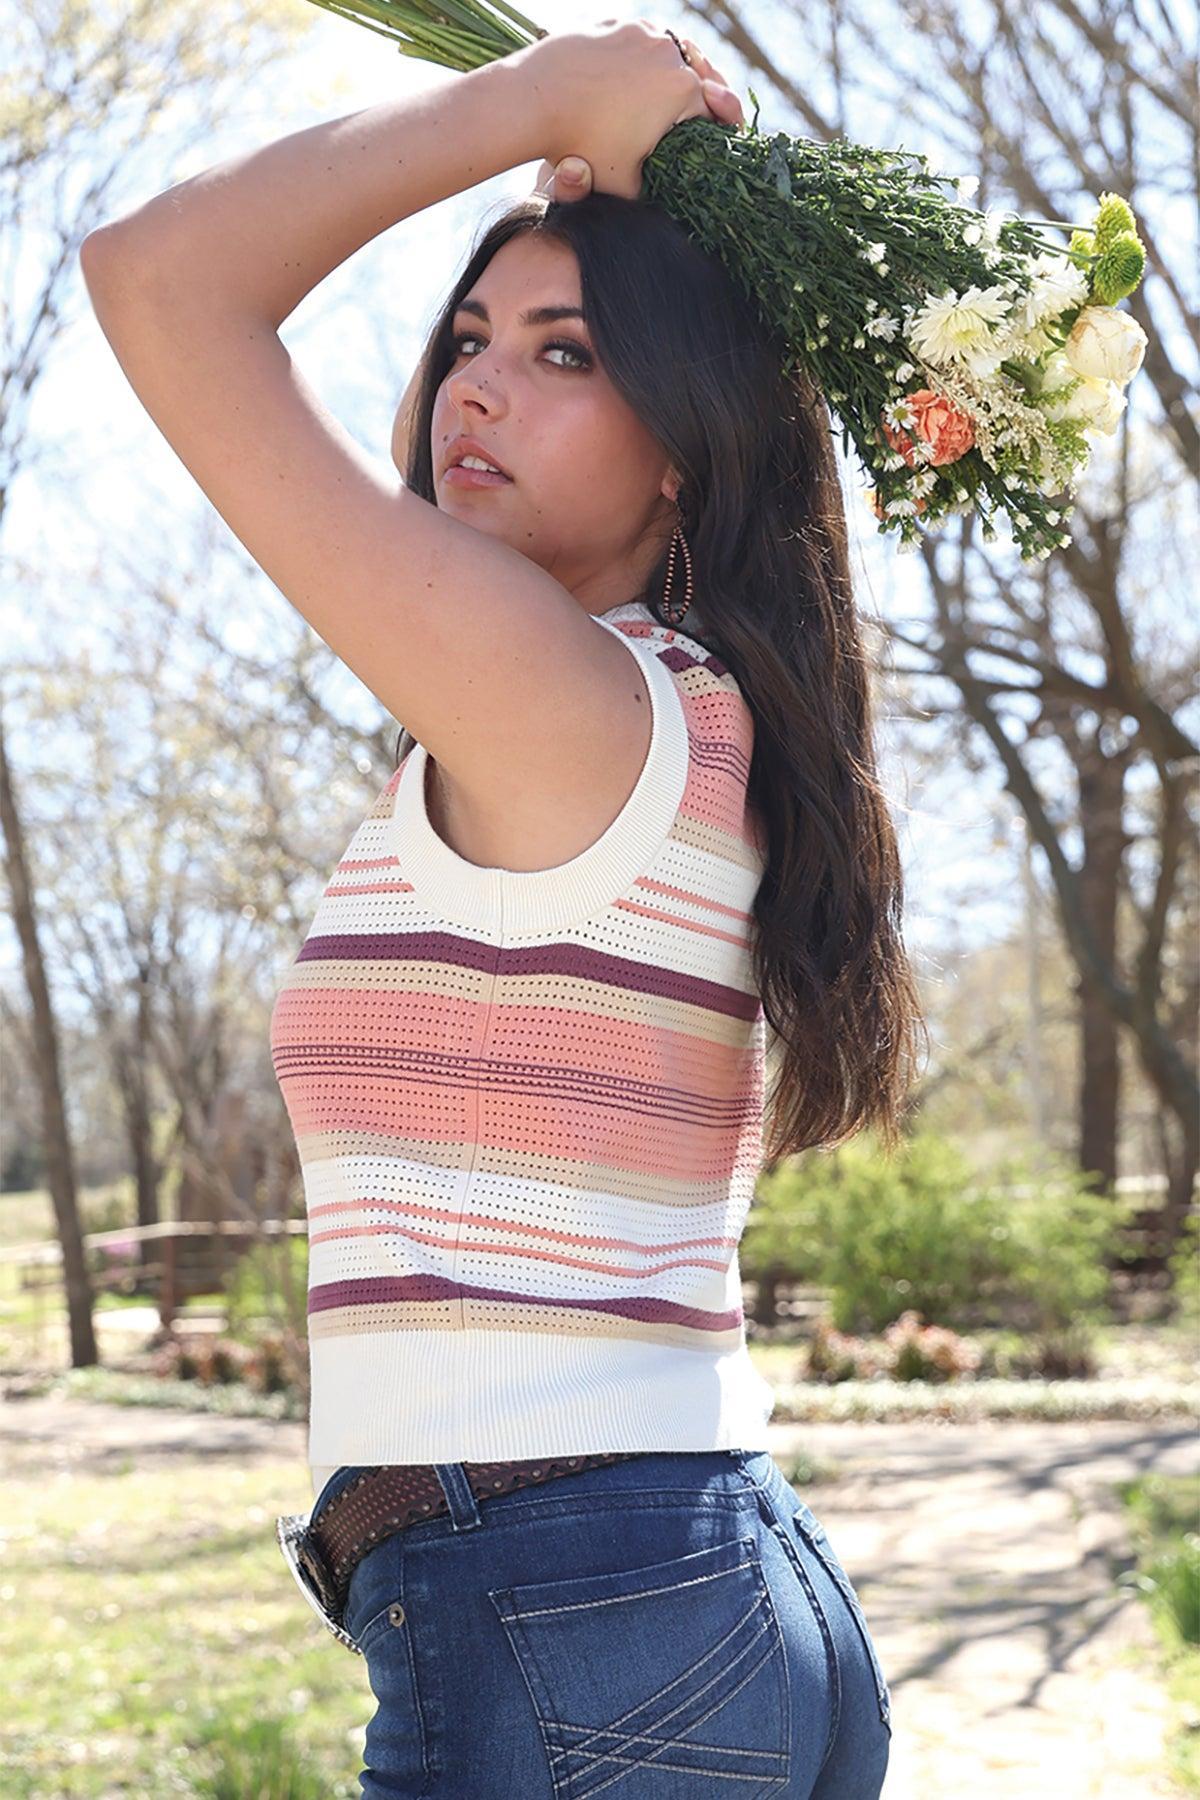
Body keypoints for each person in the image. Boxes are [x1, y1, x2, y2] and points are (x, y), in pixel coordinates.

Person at [80, 19, 925, 1796]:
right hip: (704, 1592)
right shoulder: (699, 716)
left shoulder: (570, 700)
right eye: (469, 339)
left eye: (564, 355)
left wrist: (531, 103)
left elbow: (158, 281)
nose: (474, 388)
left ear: (685, 445)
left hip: (567, 1613)